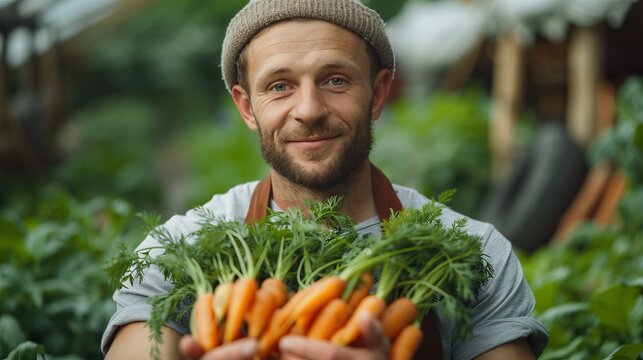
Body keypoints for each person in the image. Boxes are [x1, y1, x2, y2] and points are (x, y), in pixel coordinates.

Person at [101, 0, 549, 359]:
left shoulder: (478, 254)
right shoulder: (179, 249)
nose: (309, 109)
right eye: (279, 86)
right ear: (245, 107)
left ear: (378, 95)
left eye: (336, 80)